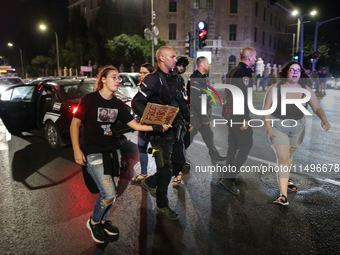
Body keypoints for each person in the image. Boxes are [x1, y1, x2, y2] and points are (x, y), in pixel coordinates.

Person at [70, 65, 170, 243]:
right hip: (93, 152)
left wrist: (158, 127)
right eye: (114, 77)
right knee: (108, 194)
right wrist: (77, 150)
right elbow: (75, 124)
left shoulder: (117, 104)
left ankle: (103, 220)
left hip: (113, 152)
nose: (118, 80)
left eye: (119, 78)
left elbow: (136, 126)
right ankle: (94, 222)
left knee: (111, 192)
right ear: (103, 79)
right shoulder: (89, 99)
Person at [132, 46, 191, 221]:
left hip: (176, 130)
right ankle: (162, 205)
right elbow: (137, 103)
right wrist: (154, 122)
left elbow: (181, 101)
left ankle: (150, 182)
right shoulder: (152, 79)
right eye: (172, 57)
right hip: (161, 133)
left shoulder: (176, 79)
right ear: (162, 59)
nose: (175, 59)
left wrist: (190, 120)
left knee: (179, 163)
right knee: (165, 170)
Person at [263, 61, 331, 205]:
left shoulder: (306, 90)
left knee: (289, 156)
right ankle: (283, 195)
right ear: (286, 72)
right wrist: (268, 127)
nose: (295, 72)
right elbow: (266, 109)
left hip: (298, 127)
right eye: (292, 70)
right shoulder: (275, 88)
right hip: (278, 126)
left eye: (298, 70)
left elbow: (316, 107)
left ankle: (286, 180)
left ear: (301, 74)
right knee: (282, 159)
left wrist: (324, 119)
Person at [220, 47, 257, 195]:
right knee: (246, 145)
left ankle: (228, 174)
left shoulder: (232, 70)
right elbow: (243, 96)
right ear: (248, 58)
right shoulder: (245, 72)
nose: (255, 59)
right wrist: (245, 119)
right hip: (237, 114)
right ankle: (229, 179)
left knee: (233, 143)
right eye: (254, 57)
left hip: (229, 112)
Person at [184, 56, 226, 167]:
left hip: (200, 114)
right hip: (196, 116)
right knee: (188, 139)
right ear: (201, 65)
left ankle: (214, 155)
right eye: (207, 63)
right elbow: (196, 100)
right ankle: (178, 157)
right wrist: (204, 117)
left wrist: (208, 99)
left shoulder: (200, 77)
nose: (209, 65)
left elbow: (200, 96)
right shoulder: (196, 78)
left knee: (208, 135)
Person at [131, 63, 155, 183]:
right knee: (141, 148)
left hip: (154, 125)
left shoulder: (155, 87)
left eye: (144, 73)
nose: (141, 75)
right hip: (142, 124)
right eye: (140, 73)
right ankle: (143, 173)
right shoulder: (142, 86)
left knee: (157, 150)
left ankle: (163, 175)